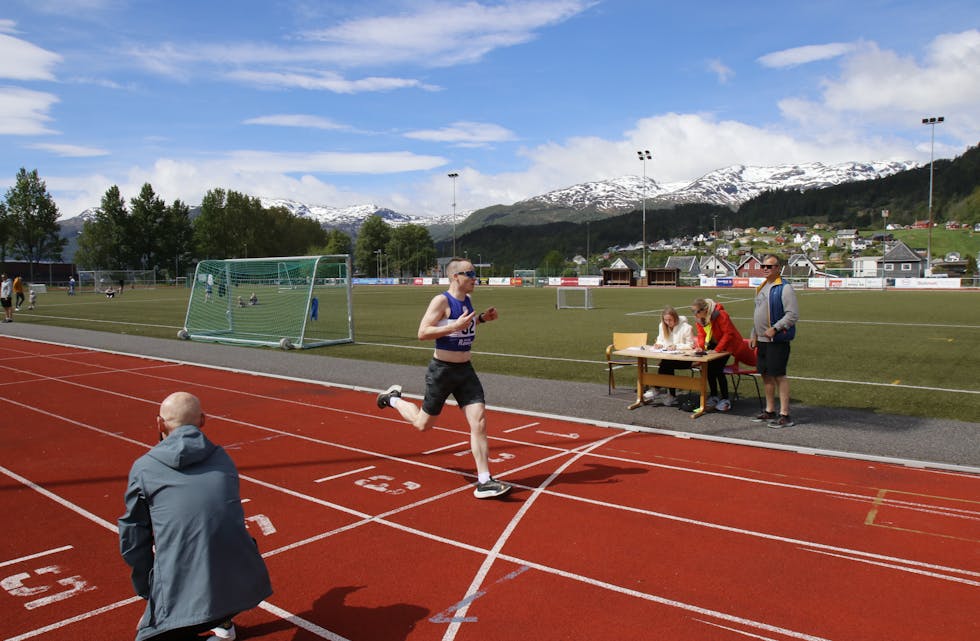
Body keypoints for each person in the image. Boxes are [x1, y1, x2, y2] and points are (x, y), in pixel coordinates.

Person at [118, 392, 272, 641]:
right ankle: (223, 620)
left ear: (159, 423)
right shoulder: (223, 459)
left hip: (187, 587)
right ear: (203, 420)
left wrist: (150, 593)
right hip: (242, 584)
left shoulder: (144, 468)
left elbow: (133, 537)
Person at [376, 257, 511, 499]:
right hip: (442, 371)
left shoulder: (467, 300)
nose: (474, 278)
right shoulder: (441, 301)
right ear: (455, 276)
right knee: (422, 425)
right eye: (469, 273)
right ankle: (393, 399)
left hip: (465, 371)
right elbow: (422, 332)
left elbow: (465, 326)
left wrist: (480, 319)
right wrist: (452, 327)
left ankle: (484, 481)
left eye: (474, 273)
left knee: (479, 421)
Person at [750, 254, 800, 428]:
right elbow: (757, 312)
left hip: (777, 340)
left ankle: (785, 414)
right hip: (762, 340)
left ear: (778, 268)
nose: (765, 269)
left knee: (779, 375)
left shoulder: (785, 288)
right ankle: (769, 410)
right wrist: (754, 333)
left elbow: (792, 315)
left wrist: (776, 328)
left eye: (769, 266)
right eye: (763, 266)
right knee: (765, 375)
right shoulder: (762, 287)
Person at [691, 297, 756, 412]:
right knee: (708, 369)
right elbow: (701, 334)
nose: (695, 314)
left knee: (717, 369)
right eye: (693, 311)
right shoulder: (700, 319)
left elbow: (728, 334)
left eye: (696, 311)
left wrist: (717, 350)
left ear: (705, 309)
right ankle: (714, 396)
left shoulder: (721, 314)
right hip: (713, 344)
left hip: (728, 345)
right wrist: (701, 347)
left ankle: (725, 399)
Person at [643, 305, 696, 406]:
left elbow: (690, 345)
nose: (668, 322)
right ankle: (670, 395)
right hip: (669, 358)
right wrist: (658, 344)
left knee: (665, 364)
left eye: (670, 320)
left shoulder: (687, 328)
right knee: (666, 364)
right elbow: (660, 339)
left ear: (675, 318)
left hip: (685, 360)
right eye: (665, 320)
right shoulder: (662, 326)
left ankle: (657, 389)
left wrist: (676, 346)